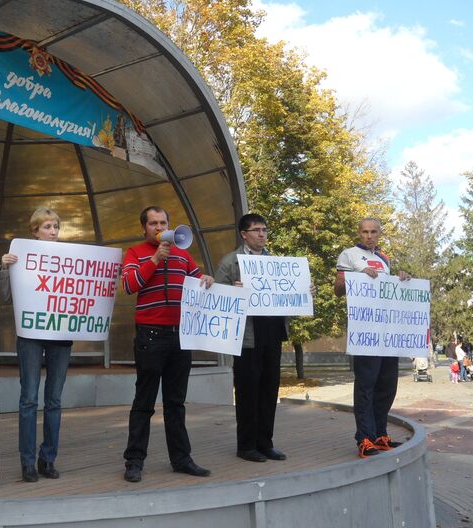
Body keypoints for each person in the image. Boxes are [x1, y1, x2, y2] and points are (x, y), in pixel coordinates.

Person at [121, 206, 214, 483]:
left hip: (179, 335)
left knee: (176, 402)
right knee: (144, 401)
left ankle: (182, 459)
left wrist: (206, 279)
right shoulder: (135, 253)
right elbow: (129, 285)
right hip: (150, 335)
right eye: (153, 223)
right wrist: (153, 260)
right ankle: (134, 461)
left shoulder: (183, 254)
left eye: (163, 222)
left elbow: (198, 280)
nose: (159, 227)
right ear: (144, 228)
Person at [215, 213, 314, 463]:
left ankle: (265, 443)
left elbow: (286, 293)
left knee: (269, 391)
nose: (262, 234)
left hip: (272, 333)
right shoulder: (230, 263)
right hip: (247, 336)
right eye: (257, 230)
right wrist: (231, 292)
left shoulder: (276, 264)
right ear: (244, 234)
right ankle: (246, 446)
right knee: (248, 391)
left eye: (265, 230)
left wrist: (304, 290)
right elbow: (216, 298)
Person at [0, 207, 71, 483]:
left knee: (54, 400)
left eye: (56, 227)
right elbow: (5, 297)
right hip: (30, 334)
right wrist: (4, 267)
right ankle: (27, 463)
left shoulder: (70, 258)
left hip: (61, 336)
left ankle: (47, 459)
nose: (53, 232)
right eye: (47, 227)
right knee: (29, 399)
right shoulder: (19, 256)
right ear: (35, 231)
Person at [334, 217, 411, 458]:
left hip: (386, 331)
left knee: (387, 384)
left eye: (373, 232)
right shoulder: (349, 255)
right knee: (366, 386)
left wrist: (402, 279)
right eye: (365, 232)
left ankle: (380, 434)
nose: (369, 236)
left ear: (380, 234)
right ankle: (364, 438)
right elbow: (337, 290)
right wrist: (356, 278)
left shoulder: (384, 258)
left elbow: (388, 293)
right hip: (365, 331)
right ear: (359, 233)